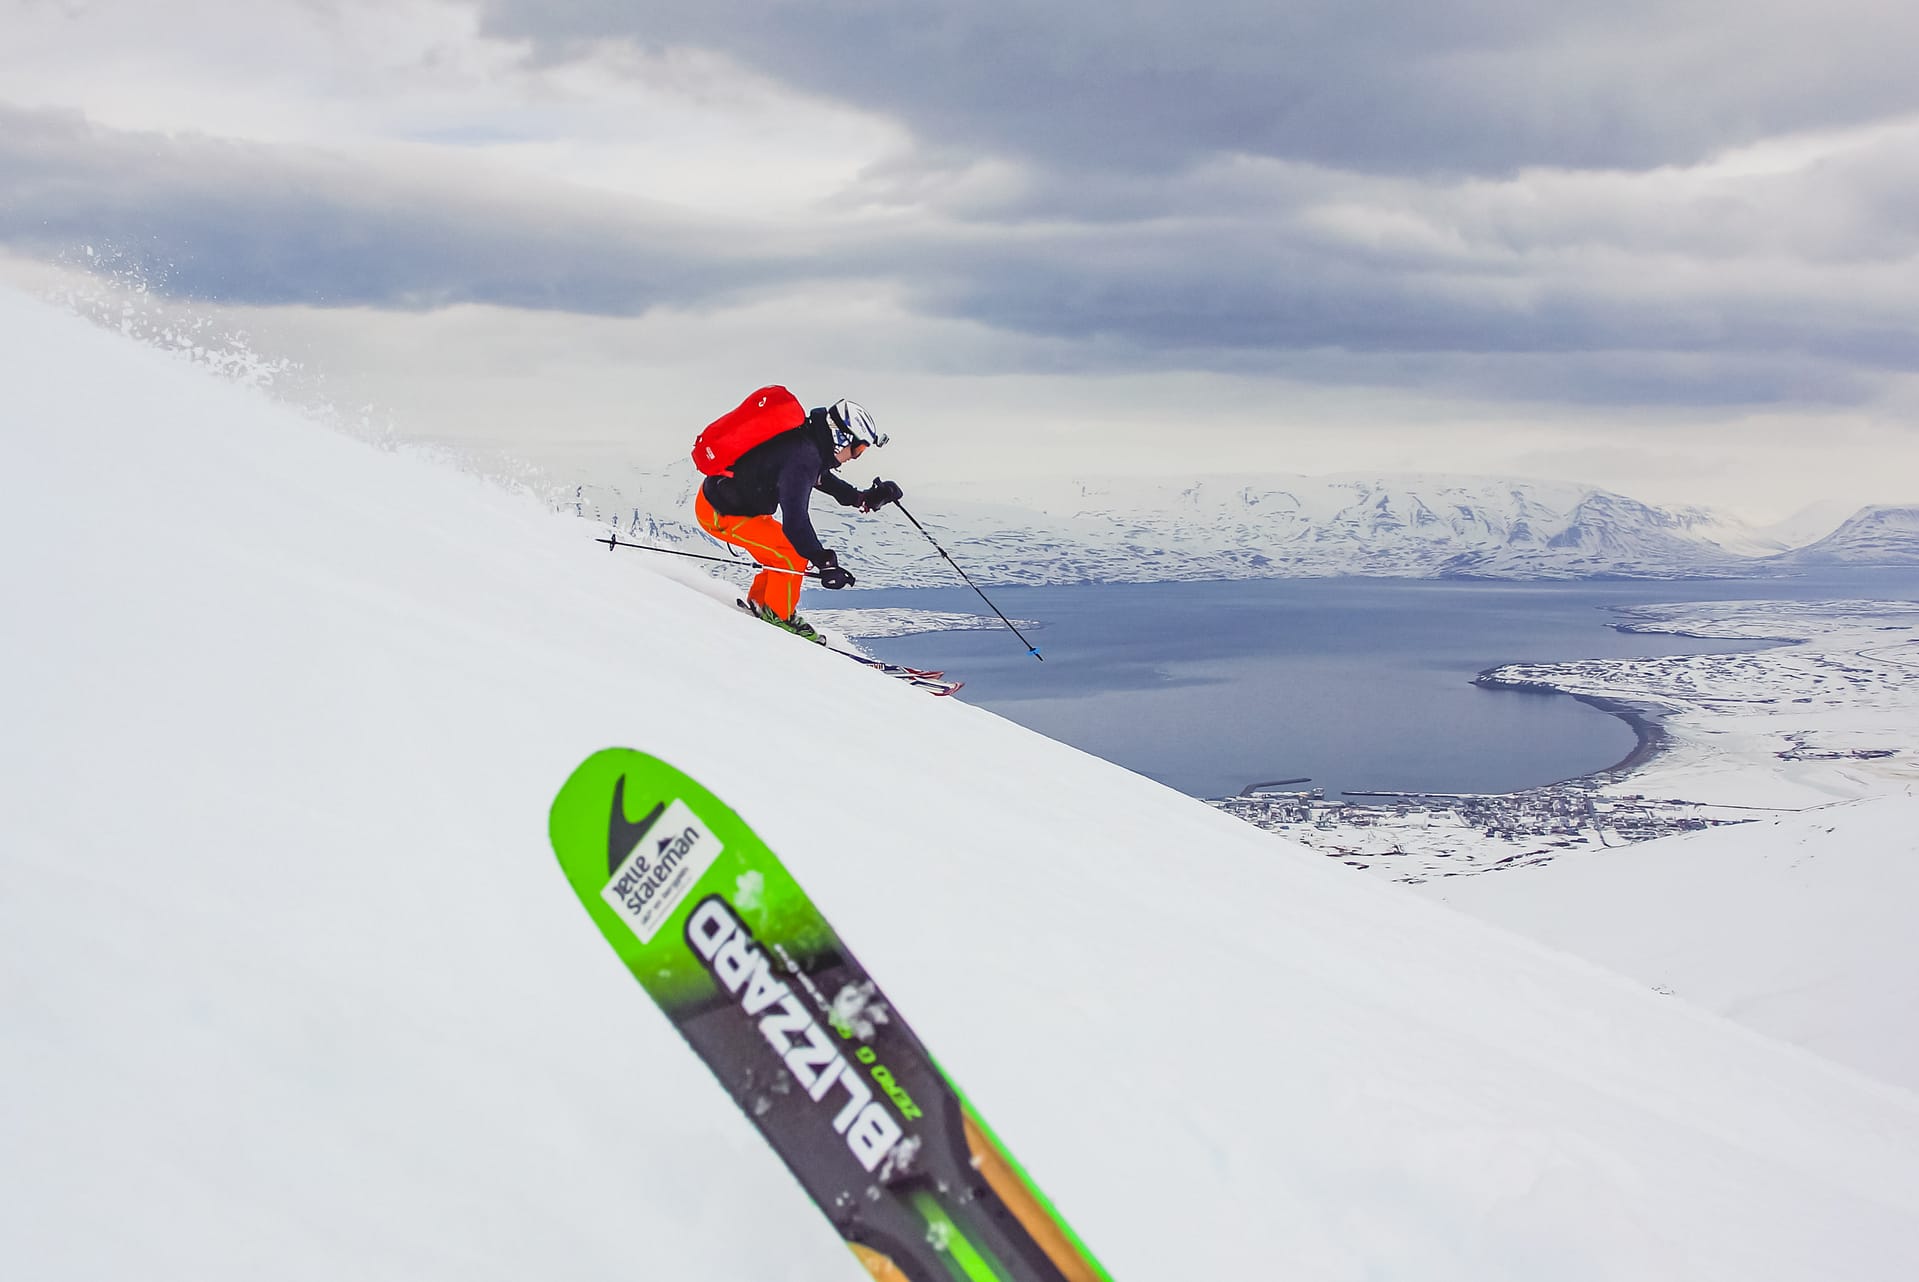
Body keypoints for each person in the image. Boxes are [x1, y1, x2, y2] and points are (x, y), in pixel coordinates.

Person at [695, 398, 903, 642]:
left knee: (784, 551)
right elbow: (795, 522)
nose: (856, 456)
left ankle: (762, 602)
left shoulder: (807, 442)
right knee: (791, 553)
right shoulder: (803, 457)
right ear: (842, 438)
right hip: (721, 514)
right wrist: (823, 561)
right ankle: (778, 618)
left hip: (727, 502)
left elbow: (821, 478)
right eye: (858, 450)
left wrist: (861, 498)